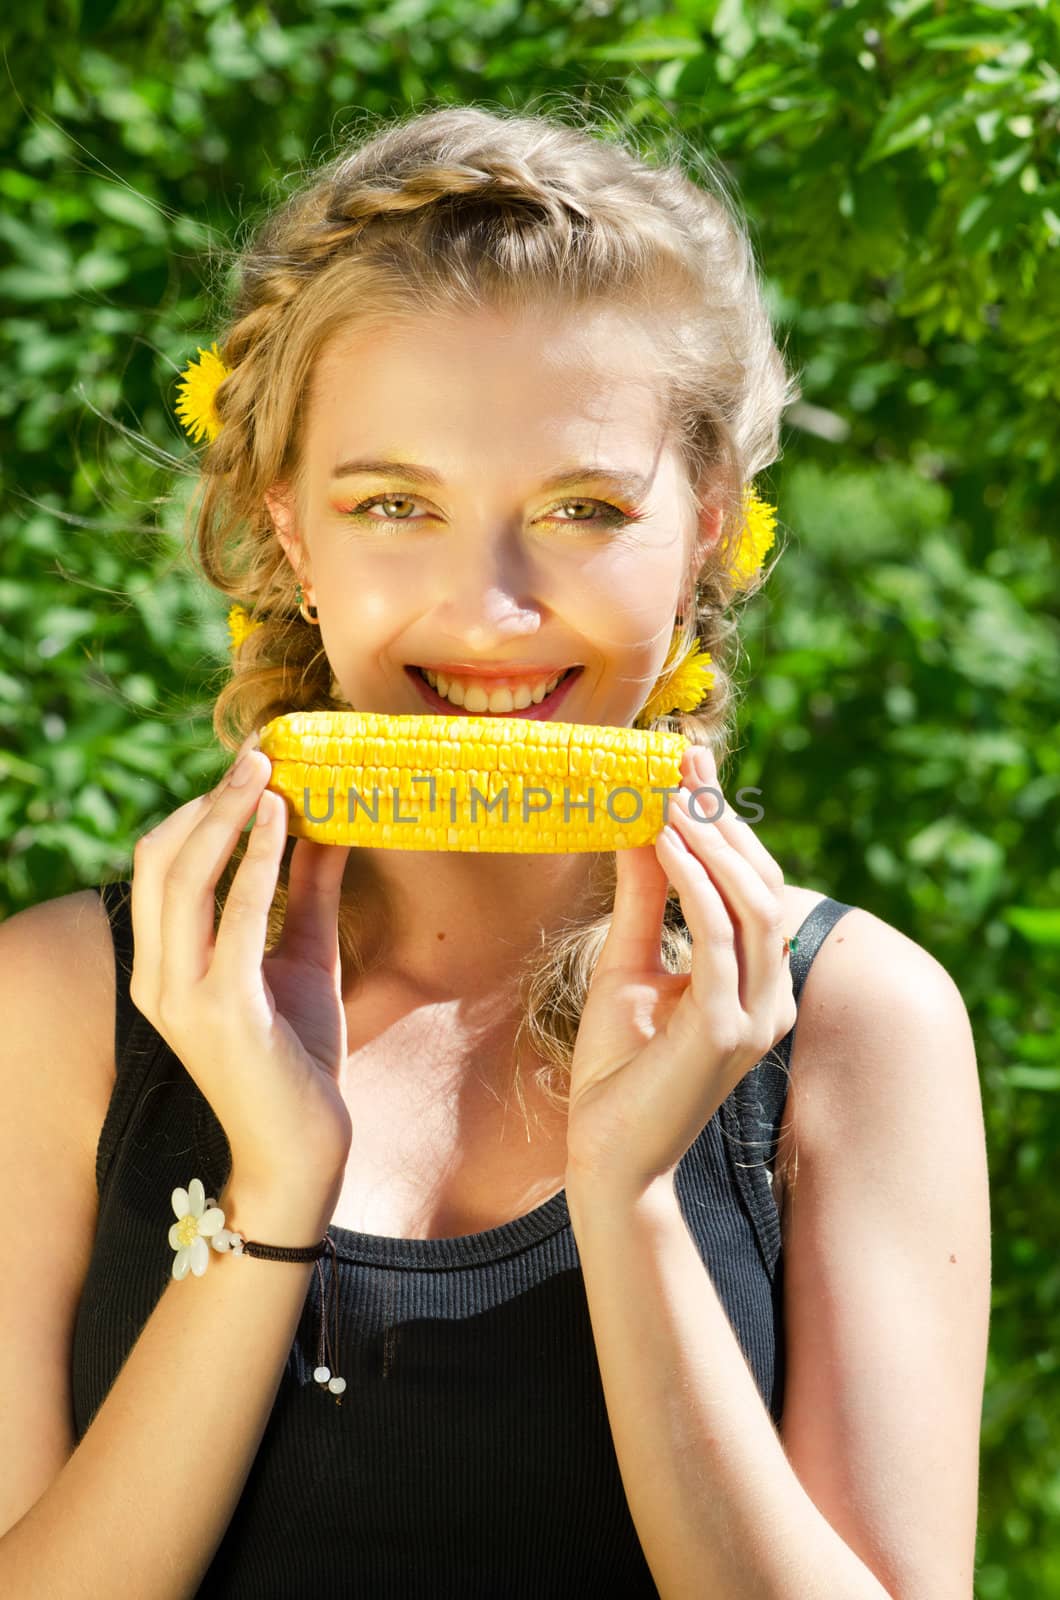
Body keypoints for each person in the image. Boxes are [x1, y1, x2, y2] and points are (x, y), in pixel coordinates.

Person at [0, 104, 990, 1598]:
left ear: (709, 528)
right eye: (393, 506)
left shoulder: (855, 1022)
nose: (494, 612)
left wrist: (633, 1198)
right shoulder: (65, 1009)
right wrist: (274, 1188)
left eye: (582, 509)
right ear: (290, 532)